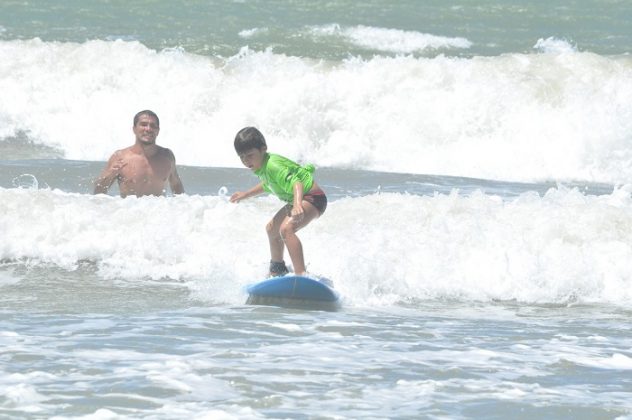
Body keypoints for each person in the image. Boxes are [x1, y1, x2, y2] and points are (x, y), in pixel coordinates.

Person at [230, 127, 327, 277]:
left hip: (313, 197)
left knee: (286, 229)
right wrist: (245, 194)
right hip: (299, 198)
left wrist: (297, 205)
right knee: (271, 229)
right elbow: (267, 185)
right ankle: (278, 268)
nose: (246, 161)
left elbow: (296, 183)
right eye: (242, 157)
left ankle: (301, 274)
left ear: (263, 149)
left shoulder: (273, 165)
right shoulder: (262, 167)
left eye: (250, 155)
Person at [94, 110, 184, 197]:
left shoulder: (167, 157)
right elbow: (98, 192)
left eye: (153, 126)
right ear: (134, 129)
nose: (148, 129)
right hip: (129, 212)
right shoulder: (120, 157)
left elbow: (177, 186)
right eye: (143, 124)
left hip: (158, 212)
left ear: (158, 131)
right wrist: (110, 174)